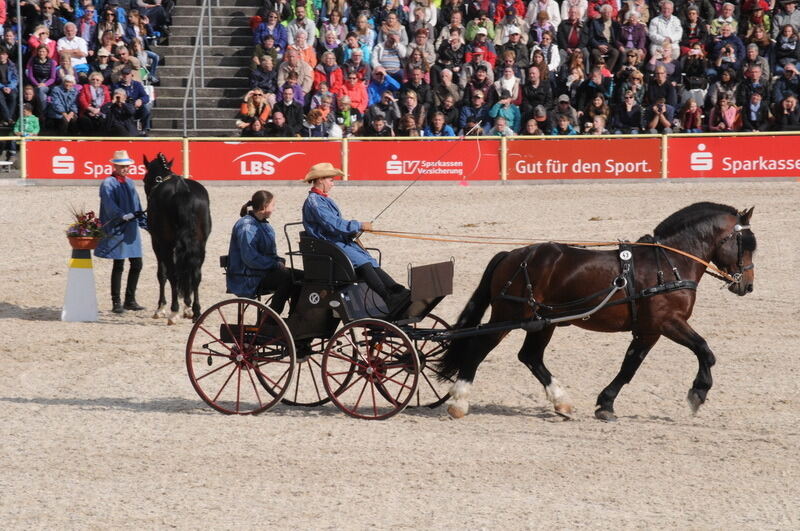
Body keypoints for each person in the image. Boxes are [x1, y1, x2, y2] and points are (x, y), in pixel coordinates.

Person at [301, 163, 410, 313]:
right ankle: (387, 298)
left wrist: (350, 231)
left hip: (337, 241)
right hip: (328, 245)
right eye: (331, 180)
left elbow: (334, 224)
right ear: (320, 179)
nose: (333, 184)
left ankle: (397, 290)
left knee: (369, 260)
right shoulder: (314, 201)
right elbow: (332, 223)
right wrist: (358, 225)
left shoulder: (324, 199)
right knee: (363, 262)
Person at [227, 190, 302, 314]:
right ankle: (271, 317)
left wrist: (278, 260)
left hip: (262, 270)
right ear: (264, 206)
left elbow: (269, 253)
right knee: (287, 278)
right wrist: (274, 264)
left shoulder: (265, 226)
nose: (274, 209)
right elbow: (250, 258)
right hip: (248, 275)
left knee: (302, 278)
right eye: (273, 205)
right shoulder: (247, 227)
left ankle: (295, 316)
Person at [95, 150, 147, 314]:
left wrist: (144, 222)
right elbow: (109, 204)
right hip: (117, 227)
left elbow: (136, 204)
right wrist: (121, 215)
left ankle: (130, 300)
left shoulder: (130, 183)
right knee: (119, 264)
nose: (125, 169)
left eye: (127, 166)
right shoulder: (108, 183)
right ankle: (116, 301)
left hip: (131, 228)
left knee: (137, 264)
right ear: (115, 166)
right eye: (122, 166)